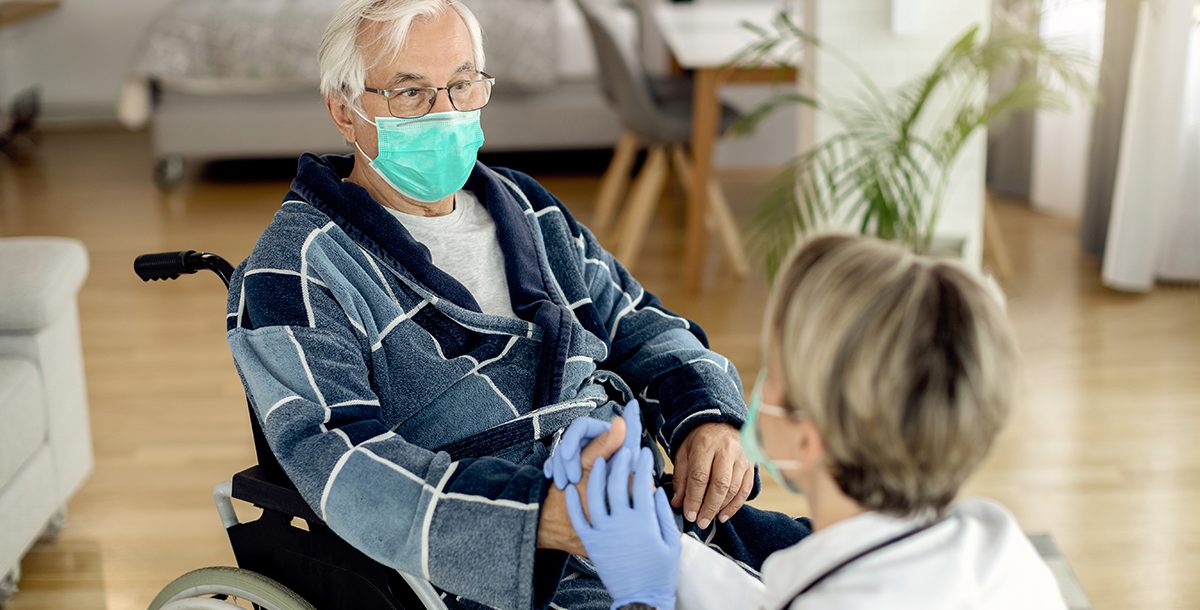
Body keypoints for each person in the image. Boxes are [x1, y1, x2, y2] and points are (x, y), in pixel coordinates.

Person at [224, 1, 809, 608]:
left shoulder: (526, 209)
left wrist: (707, 417)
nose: (445, 112)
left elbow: (639, 321)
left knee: (864, 571)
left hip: (646, 508)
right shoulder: (295, 268)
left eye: (461, 84)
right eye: (410, 93)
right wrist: (537, 519)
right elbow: (340, 461)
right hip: (502, 563)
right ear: (344, 110)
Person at [552, 234, 1067, 610]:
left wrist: (645, 593)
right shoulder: (999, 544)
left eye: (774, 372)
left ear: (806, 434)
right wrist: (671, 555)